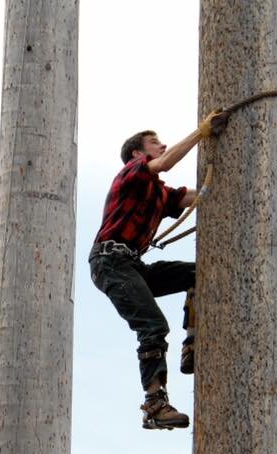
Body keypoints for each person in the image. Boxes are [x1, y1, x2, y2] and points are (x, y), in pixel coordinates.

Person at [90, 111, 228, 430]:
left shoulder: (159, 193)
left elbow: (196, 197)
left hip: (132, 265)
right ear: (138, 154)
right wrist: (200, 133)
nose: (162, 145)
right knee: (152, 325)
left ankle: (191, 341)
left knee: (198, 273)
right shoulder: (131, 175)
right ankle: (155, 405)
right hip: (110, 262)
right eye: (154, 142)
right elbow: (163, 165)